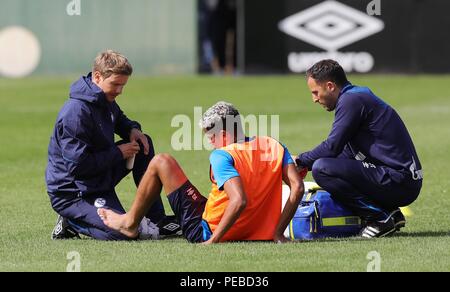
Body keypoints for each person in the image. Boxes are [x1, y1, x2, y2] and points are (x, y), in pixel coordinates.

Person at [98, 101, 304, 243]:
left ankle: (129, 223)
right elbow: (297, 187)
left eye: (211, 137)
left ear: (223, 134)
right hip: (259, 232)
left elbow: (239, 200)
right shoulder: (273, 145)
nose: (209, 142)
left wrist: (213, 240)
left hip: (206, 231)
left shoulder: (222, 156)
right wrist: (278, 233)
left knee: (162, 161)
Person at [46, 50, 180, 240]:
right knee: (125, 232)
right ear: (97, 76)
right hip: (73, 192)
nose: (119, 90)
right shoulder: (75, 113)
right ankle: (70, 220)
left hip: (98, 179)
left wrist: (132, 130)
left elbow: (119, 120)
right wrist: (118, 152)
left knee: (143, 143)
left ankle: (156, 218)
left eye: (123, 85)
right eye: (115, 84)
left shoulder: (104, 98)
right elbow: (77, 167)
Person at [296, 59, 423, 238]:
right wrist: (304, 164)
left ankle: (379, 217)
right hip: (402, 180)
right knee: (328, 165)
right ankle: (391, 213)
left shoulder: (351, 100)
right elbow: (345, 152)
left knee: (322, 169)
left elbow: (332, 147)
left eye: (316, 92)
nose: (314, 99)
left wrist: (300, 161)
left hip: (399, 181)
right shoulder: (355, 96)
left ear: (330, 86)